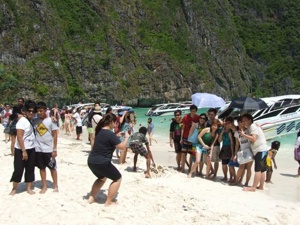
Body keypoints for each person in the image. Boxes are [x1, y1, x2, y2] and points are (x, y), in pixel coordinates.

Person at [87, 114, 129, 206]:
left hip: (91, 161)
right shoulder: (110, 134)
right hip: (102, 162)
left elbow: (106, 140)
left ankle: (91, 198)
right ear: (111, 122)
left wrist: (116, 136)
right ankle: (109, 201)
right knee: (117, 178)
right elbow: (122, 147)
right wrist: (126, 138)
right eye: (115, 122)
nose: (116, 124)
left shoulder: (99, 132)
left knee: (102, 178)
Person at [9, 100, 36, 195]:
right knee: (18, 169)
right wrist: (24, 151)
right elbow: (19, 137)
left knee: (30, 168)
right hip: (21, 149)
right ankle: (14, 188)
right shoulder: (22, 121)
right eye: (29, 111)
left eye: (33, 111)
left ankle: (28, 188)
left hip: (31, 148)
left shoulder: (32, 120)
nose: (31, 113)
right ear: (25, 111)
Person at [33, 102, 59, 193]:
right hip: (38, 149)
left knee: (52, 168)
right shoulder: (35, 121)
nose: (39, 113)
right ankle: (44, 186)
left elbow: (55, 135)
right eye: (38, 111)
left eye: (41, 111)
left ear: (45, 110)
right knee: (42, 168)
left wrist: (54, 149)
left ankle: (55, 185)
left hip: (48, 149)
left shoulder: (51, 121)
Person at [240, 113, 268, 191]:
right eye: (243, 121)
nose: (244, 122)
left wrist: (243, 134)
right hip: (263, 149)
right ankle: (261, 186)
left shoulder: (253, 126)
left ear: (250, 120)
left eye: (245, 120)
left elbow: (254, 139)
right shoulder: (252, 127)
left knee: (258, 169)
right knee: (262, 170)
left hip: (260, 150)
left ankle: (253, 187)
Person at [232, 116, 253, 186]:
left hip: (250, 150)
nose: (241, 123)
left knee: (249, 168)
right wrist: (235, 154)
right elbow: (237, 144)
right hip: (242, 150)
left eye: (242, 122)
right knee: (241, 167)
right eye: (239, 122)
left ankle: (246, 182)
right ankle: (236, 181)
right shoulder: (237, 133)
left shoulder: (249, 130)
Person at [180, 105, 200, 173]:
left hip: (193, 138)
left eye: (194, 111)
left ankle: (190, 168)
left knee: (191, 154)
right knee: (183, 153)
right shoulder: (185, 117)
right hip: (185, 137)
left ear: (196, 111)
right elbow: (183, 128)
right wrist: (181, 138)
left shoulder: (198, 117)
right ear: (190, 110)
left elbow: (199, 127)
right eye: (192, 111)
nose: (193, 112)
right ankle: (183, 168)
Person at [206, 108, 223, 178]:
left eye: (212, 115)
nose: (210, 116)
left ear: (215, 115)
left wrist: (221, 123)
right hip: (208, 143)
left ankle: (215, 173)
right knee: (207, 159)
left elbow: (223, 127)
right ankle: (212, 170)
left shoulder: (218, 122)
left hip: (216, 143)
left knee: (216, 160)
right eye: (209, 114)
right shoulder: (207, 122)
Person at [218, 117, 234, 181]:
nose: (226, 125)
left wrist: (233, 153)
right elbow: (219, 141)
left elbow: (232, 142)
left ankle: (231, 177)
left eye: (227, 124)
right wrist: (222, 132)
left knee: (230, 165)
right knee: (224, 164)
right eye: (225, 123)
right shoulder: (222, 130)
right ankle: (225, 176)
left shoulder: (230, 131)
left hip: (229, 148)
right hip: (224, 147)